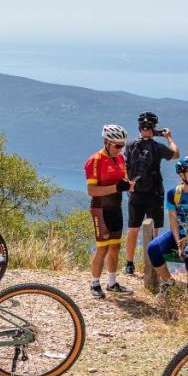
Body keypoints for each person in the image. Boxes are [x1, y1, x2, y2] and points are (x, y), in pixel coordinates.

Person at [145, 156, 188, 295]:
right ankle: (169, 282)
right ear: (181, 174)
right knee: (153, 248)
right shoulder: (172, 193)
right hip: (179, 233)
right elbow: (173, 220)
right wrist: (178, 241)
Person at [122, 111, 179, 275]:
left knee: (133, 229)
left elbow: (124, 166)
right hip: (154, 193)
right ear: (154, 128)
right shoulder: (158, 147)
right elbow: (176, 154)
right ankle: (154, 264)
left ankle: (129, 264)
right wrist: (168, 137)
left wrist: (129, 184)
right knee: (154, 229)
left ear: (139, 128)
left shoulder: (130, 145)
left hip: (135, 193)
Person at [85, 124, 131, 298]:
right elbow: (92, 191)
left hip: (116, 207)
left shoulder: (120, 159)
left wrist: (128, 184)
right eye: (117, 145)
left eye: (122, 146)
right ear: (106, 142)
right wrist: (116, 187)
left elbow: (123, 179)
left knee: (115, 247)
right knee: (102, 248)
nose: (120, 149)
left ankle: (112, 283)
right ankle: (94, 284)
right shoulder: (95, 161)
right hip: (100, 208)